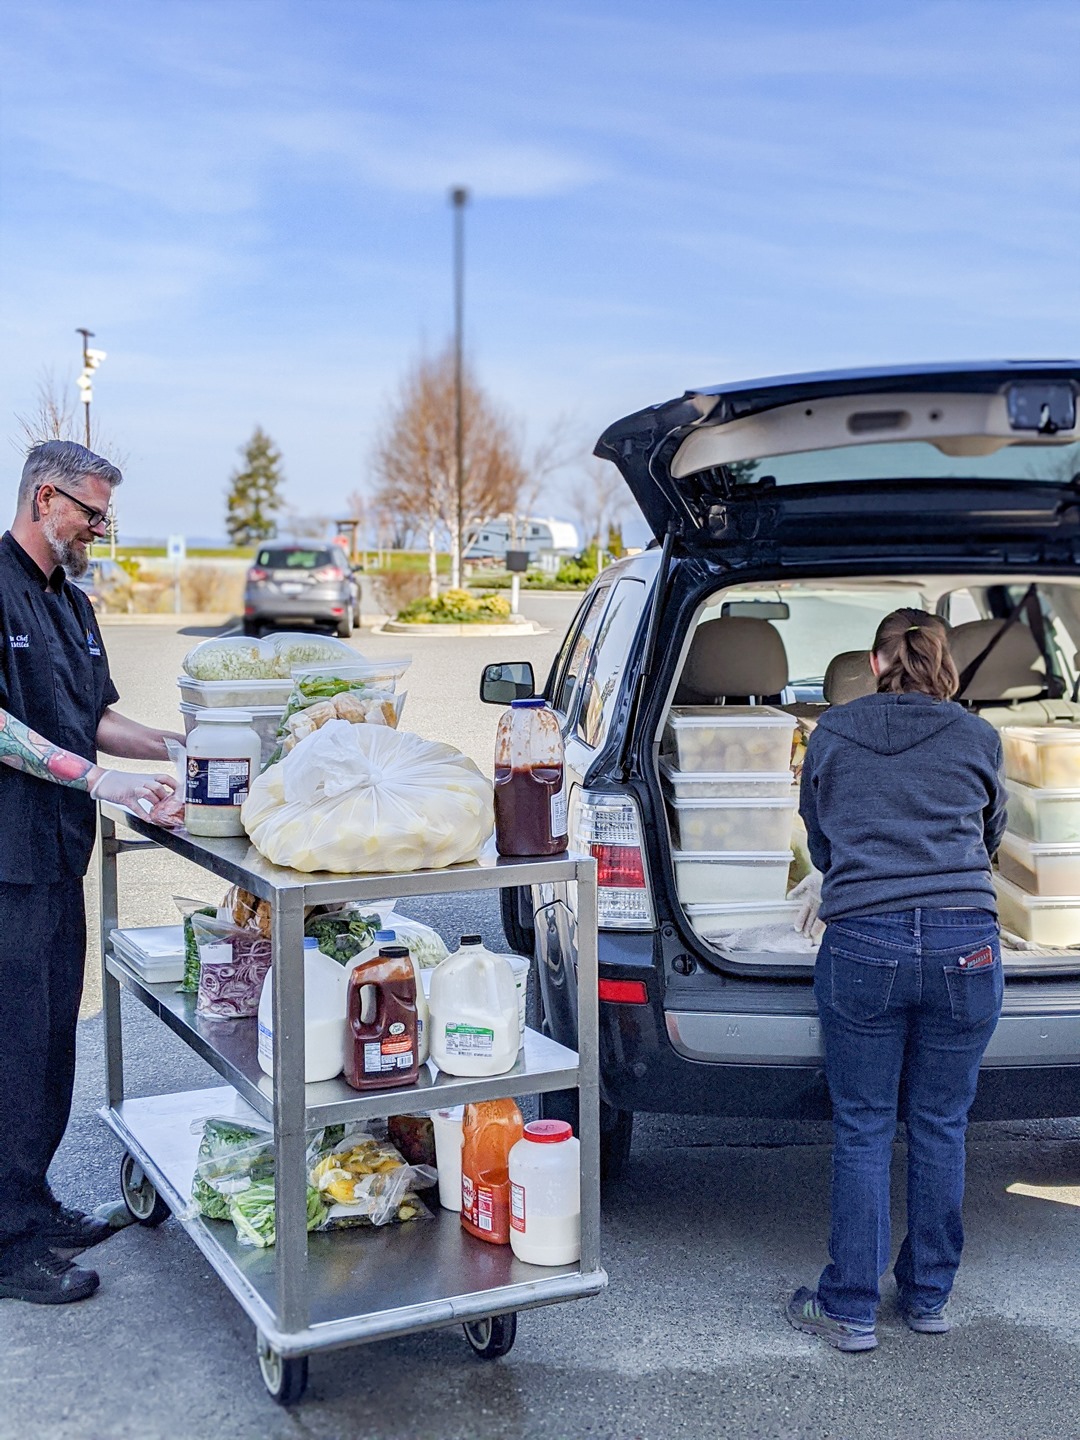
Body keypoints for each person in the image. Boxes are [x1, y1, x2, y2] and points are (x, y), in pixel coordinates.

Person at [787, 608, 1007, 1352]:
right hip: (965, 946)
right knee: (942, 1124)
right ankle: (928, 1299)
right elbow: (991, 835)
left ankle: (848, 1307)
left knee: (864, 1126)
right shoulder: (977, 736)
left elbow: (818, 842)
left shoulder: (832, 735)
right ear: (943, 665)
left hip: (863, 945)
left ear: (874, 664)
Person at [0, 440, 184, 1306]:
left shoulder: (71, 604)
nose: (100, 529)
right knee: (10, 1047)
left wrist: (184, 746)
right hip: (6, 862)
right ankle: (6, 1248)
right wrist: (97, 779)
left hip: (55, 853)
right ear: (46, 498)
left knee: (47, 1048)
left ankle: (32, 1210)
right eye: (92, 512)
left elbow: (95, 715)